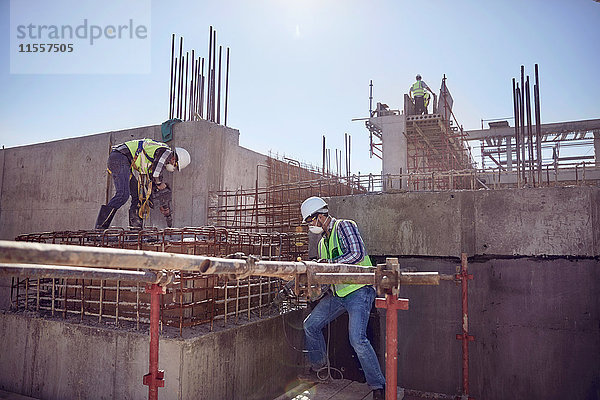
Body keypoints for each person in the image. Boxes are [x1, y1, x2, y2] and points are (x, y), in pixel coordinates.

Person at [300, 196, 385, 400]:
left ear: (320, 215)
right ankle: (320, 369)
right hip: (338, 295)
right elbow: (329, 276)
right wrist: (316, 291)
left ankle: (378, 386)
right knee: (310, 325)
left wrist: (327, 263)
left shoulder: (345, 226)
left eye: (311, 221)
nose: (310, 225)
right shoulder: (322, 243)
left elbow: (356, 254)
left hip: (358, 290)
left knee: (357, 339)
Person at [95, 138, 191, 230]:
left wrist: (162, 203)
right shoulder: (166, 153)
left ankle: (135, 231)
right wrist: (160, 184)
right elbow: (156, 175)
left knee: (138, 197)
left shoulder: (156, 159)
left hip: (124, 163)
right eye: (176, 166)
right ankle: (100, 228)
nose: (173, 168)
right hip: (119, 158)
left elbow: (152, 181)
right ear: (174, 159)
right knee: (123, 194)